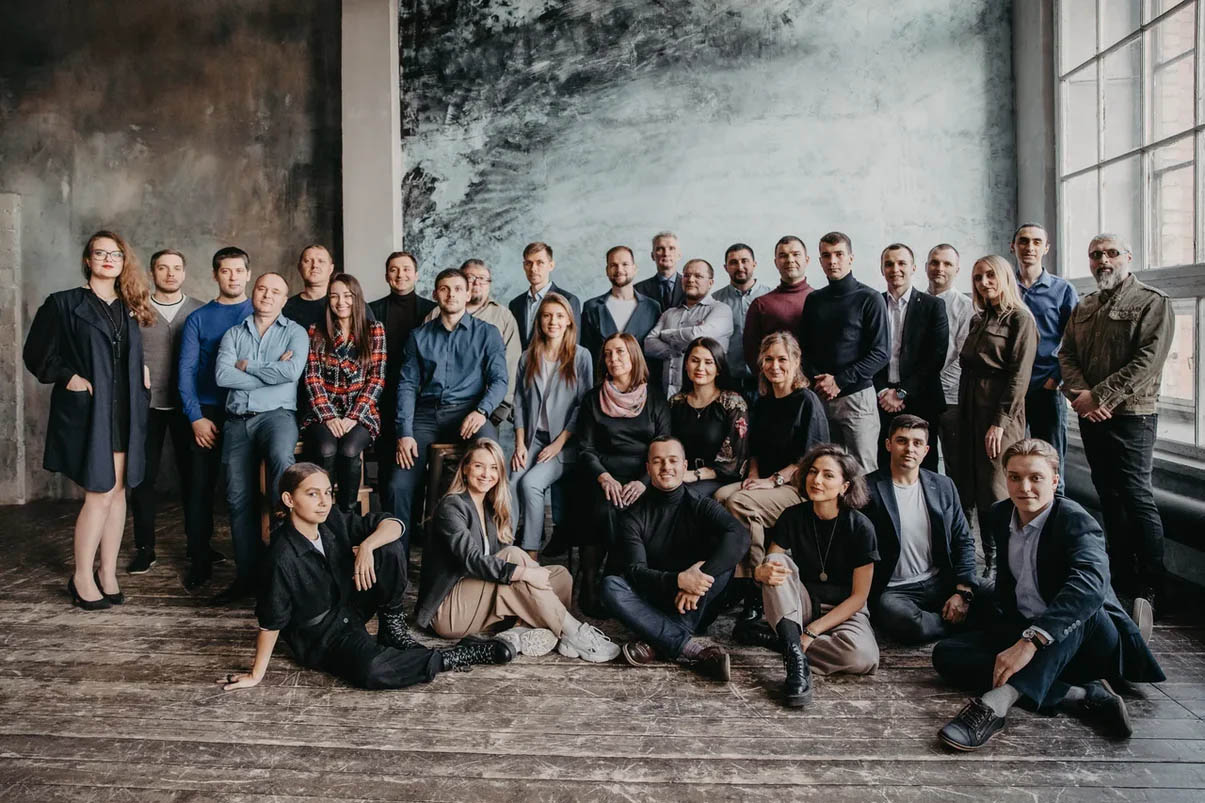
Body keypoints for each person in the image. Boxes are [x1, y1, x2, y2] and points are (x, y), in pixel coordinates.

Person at [932, 439, 1165, 751]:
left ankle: (995, 704)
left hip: (1086, 642)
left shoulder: (1075, 520)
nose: (1024, 487)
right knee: (947, 654)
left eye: (1036, 478)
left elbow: (1090, 583)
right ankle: (1081, 695)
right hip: (1030, 629)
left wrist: (1031, 641)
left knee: (1080, 604)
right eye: (1015, 477)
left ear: (1055, 481)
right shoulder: (1001, 515)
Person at [219, 462, 514, 692]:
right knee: (373, 670)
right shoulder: (280, 557)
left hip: (352, 605)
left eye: (327, 493)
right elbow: (271, 622)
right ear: (289, 499)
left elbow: (394, 524)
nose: (324, 502)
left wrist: (368, 546)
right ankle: (455, 656)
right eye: (312, 494)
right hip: (324, 637)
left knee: (387, 546)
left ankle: (391, 626)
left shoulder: (331, 519)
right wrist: (256, 674)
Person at [24, 230, 154, 610]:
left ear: (123, 261)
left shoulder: (129, 304)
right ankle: (81, 576)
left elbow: (123, 351)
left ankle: (107, 572)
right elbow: (36, 354)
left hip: (125, 408)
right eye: (101, 253)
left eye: (116, 254)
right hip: (91, 411)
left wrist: (141, 369)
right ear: (88, 259)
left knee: (119, 492)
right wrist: (69, 377)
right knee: (99, 492)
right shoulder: (63, 303)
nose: (109, 259)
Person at [415, 439, 619, 661]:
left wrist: (528, 574)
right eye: (479, 466)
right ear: (465, 468)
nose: (486, 474)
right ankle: (574, 632)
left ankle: (518, 632)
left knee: (560, 576)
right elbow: (472, 561)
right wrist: (526, 573)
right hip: (448, 611)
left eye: (494, 467)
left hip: (480, 597)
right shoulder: (452, 506)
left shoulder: (490, 508)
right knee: (514, 557)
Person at [1060, 233, 1174, 609]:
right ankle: (1121, 578)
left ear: (1128, 257)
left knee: (1136, 496)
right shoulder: (1084, 305)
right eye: (1096, 255)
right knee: (1107, 495)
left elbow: (1148, 361)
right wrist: (1081, 396)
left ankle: (1152, 587)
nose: (1103, 260)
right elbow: (1067, 355)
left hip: (1133, 416)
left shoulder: (1152, 302)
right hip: (1091, 414)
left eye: (1111, 253)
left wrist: (1099, 396)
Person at [715, 332, 829, 642]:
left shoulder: (806, 401)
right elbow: (755, 451)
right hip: (767, 483)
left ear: (796, 361)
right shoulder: (764, 402)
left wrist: (771, 481)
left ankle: (754, 588)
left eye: (781, 359)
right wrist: (752, 477)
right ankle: (733, 580)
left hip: (798, 488)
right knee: (720, 497)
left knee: (739, 503)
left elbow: (810, 460)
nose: (774, 365)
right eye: (768, 359)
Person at [603, 437, 749, 680]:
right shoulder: (633, 516)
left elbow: (740, 536)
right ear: (648, 468)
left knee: (725, 554)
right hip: (653, 601)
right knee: (610, 586)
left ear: (684, 466)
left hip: (695, 603)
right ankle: (691, 648)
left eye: (673, 460)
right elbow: (636, 571)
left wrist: (699, 578)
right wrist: (679, 580)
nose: (666, 467)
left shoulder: (700, 504)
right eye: (658, 461)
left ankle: (656, 639)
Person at [388, 268, 508, 544]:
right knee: (398, 484)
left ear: (467, 294)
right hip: (426, 415)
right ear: (435, 294)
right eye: (444, 288)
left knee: (492, 460)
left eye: (457, 289)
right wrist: (405, 432)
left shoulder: (487, 334)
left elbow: (500, 380)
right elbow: (407, 385)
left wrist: (482, 411)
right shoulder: (419, 336)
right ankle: (397, 560)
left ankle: (493, 547)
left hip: (469, 413)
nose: (451, 294)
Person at [756, 444, 880, 707]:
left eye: (828, 475)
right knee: (775, 562)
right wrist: (759, 572)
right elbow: (771, 565)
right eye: (812, 472)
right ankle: (795, 660)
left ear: (845, 486)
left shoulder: (861, 527)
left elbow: (859, 597)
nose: (817, 480)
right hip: (801, 604)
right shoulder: (792, 516)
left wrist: (812, 632)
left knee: (862, 657)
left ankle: (785, 642)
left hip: (843, 610)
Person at [214, 272, 311, 605]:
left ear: (284, 299)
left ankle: (283, 573)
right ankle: (247, 577)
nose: (267, 295)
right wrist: (269, 371)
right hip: (237, 421)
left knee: (282, 478)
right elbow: (222, 375)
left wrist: (247, 366)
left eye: (275, 291)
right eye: (262, 289)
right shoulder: (233, 333)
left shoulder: (295, 332)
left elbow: (291, 373)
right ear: (253, 292)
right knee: (236, 498)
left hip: (278, 417)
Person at [574, 332, 671, 616]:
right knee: (603, 509)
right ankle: (591, 583)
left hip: (643, 475)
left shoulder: (655, 398)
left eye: (620, 352)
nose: (613, 359)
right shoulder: (593, 399)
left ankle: (617, 579)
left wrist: (644, 482)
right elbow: (585, 448)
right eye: (608, 354)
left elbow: (665, 445)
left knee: (633, 511)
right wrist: (603, 477)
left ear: (633, 356)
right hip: (603, 475)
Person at [177, 247, 255, 589]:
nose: (233, 277)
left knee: (248, 488)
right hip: (208, 411)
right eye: (226, 271)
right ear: (215, 275)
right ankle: (199, 557)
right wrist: (195, 416)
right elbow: (186, 370)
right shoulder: (198, 318)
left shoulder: (261, 311)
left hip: (250, 408)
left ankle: (254, 560)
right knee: (199, 486)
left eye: (239, 270)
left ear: (248, 274)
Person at [864, 415, 978, 644]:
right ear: (888, 444)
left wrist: (962, 592)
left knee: (995, 593)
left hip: (938, 580)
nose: (909, 449)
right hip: (895, 590)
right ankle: (957, 623)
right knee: (902, 619)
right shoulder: (867, 488)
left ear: (926, 450)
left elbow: (963, 540)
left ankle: (950, 617)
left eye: (917, 443)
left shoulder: (943, 485)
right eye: (902, 441)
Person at [957, 255, 1038, 575]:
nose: (984, 282)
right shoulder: (978, 320)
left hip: (999, 414)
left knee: (995, 490)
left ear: (1005, 277)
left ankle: (1004, 565)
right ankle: (982, 561)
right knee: (971, 487)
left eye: (991, 275)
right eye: (978, 277)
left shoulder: (1020, 319)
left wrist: (999, 423)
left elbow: (1019, 378)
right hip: (969, 411)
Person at [127, 248, 204, 575]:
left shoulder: (199, 310)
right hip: (147, 406)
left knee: (195, 478)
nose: (170, 274)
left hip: (189, 407)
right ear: (152, 272)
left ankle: (198, 546)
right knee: (143, 479)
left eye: (176, 268)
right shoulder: (135, 310)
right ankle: (145, 548)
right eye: (163, 268)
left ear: (184, 272)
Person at [798, 232, 889, 474]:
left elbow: (881, 352)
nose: (833, 261)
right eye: (826, 256)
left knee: (863, 470)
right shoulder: (814, 300)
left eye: (839, 254)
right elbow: (804, 350)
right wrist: (820, 382)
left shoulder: (869, 298)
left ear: (851, 258)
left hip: (857, 398)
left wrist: (839, 381)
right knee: (825, 467)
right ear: (820, 261)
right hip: (820, 396)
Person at [509, 293, 593, 556]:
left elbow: (583, 406)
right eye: (546, 315)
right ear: (539, 321)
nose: (552, 321)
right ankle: (503, 546)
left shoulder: (581, 356)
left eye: (559, 316)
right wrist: (520, 444)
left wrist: (559, 444)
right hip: (533, 438)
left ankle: (530, 551)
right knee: (511, 482)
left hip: (566, 443)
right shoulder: (528, 357)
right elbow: (519, 404)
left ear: (569, 321)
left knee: (531, 484)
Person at [302, 273, 385, 513]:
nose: (341, 302)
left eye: (347, 296)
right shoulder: (316, 331)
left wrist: (353, 417)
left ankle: (347, 515)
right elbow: (312, 378)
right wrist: (329, 416)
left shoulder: (374, 330)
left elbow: (377, 378)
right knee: (326, 449)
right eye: (334, 296)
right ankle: (324, 514)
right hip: (323, 411)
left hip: (361, 412)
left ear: (357, 298)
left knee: (349, 450)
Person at [368, 251, 437, 520]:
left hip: (420, 398)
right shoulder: (372, 310)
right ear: (387, 276)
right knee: (389, 463)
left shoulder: (431, 310)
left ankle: (416, 523)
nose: (400, 275)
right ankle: (391, 521)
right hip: (383, 396)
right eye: (394, 270)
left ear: (416, 275)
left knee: (416, 462)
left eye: (406, 269)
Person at [1011, 224, 1078, 494]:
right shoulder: (1005, 286)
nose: (1030, 247)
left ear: (1046, 248)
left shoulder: (1063, 290)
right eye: (1023, 241)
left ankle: (1054, 514)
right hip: (1011, 388)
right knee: (1012, 458)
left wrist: (1056, 378)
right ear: (1013, 246)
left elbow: (1073, 340)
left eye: (1037, 242)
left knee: (1050, 461)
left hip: (1046, 387)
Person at [873, 243, 949, 471]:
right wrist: (883, 391)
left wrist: (902, 392)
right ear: (882, 269)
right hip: (882, 401)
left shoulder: (933, 305)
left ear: (913, 267)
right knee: (885, 463)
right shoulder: (873, 303)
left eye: (901, 263)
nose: (895, 269)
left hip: (922, 398)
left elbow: (936, 357)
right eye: (889, 264)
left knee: (924, 465)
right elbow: (867, 352)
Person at [425, 259, 521, 425]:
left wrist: (500, 408)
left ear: (489, 284)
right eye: (470, 277)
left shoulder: (503, 316)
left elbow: (511, 364)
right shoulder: (436, 314)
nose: (477, 282)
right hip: (438, 407)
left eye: (482, 278)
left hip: (487, 407)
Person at [668, 337, 749, 499]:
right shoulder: (676, 402)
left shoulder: (733, 403)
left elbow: (734, 461)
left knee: (684, 496)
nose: (700, 367)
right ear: (686, 365)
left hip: (718, 478)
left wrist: (695, 475)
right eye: (695, 361)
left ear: (718, 368)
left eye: (708, 362)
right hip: (680, 475)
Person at [644, 258, 734, 397]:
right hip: (666, 395)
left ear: (710, 283)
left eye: (698, 276)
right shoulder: (669, 313)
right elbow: (648, 344)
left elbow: (696, 335)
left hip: (704, 397)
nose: (691, 280)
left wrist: (665, 335)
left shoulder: (721, 310)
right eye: (686, 275)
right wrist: (676, 352)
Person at [926, 244, 974, 484]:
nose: (940, 268)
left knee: (956, 463)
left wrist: (935, 386)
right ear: (926, 266)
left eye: (947, 264)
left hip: (951, 399)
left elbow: (963, 357)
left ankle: (958, 507)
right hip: (919, 397)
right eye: (935, 262)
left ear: (957, 270)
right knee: (923, 461)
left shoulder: (966, 306)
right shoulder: (916, 301)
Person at [743, 236, 815, 390]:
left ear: (807, 260)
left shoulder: (821, 301)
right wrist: (770, 382)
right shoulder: (761, 304)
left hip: (815, 388)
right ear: (776, 262)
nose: (790, 260)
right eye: (783, 255)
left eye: (796, 254)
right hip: (775, 389)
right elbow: (751, 352)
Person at [580, 245, 662, 364]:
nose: (619, 270)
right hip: (603, 375)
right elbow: (586, 353)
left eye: (625, 264)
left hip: (644, 375)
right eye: (613, 265)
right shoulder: (592, 307)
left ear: (634, 268)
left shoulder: (652, 307)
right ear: (607, 270)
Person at [711, 243, 771, 400]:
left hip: (765, 381)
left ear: (754, 264)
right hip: (728, 381)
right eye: (733, 262)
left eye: (744, 261)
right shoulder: (715, 301)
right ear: (725, 267)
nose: (740, 267)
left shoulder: (771, 297)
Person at [508, 242, 581, 349]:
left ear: (551, 265)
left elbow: (573, 343)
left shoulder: (568, 300)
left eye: (540, 263)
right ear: (524, 266)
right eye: (529, 263)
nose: (533, 268)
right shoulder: (515, 304)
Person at [282, 244, 338, 333]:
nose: (315, 265)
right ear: (299, 268)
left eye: (321, 261)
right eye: (307, 261)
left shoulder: (343, 305)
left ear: (331, 269)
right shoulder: (285, 308)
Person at [634, 231, 686, 313]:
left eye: (671, 248)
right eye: (660, 249)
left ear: (679, 255)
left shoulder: (690, 286)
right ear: (652, 256)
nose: (666, 253)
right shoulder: (638, 289)